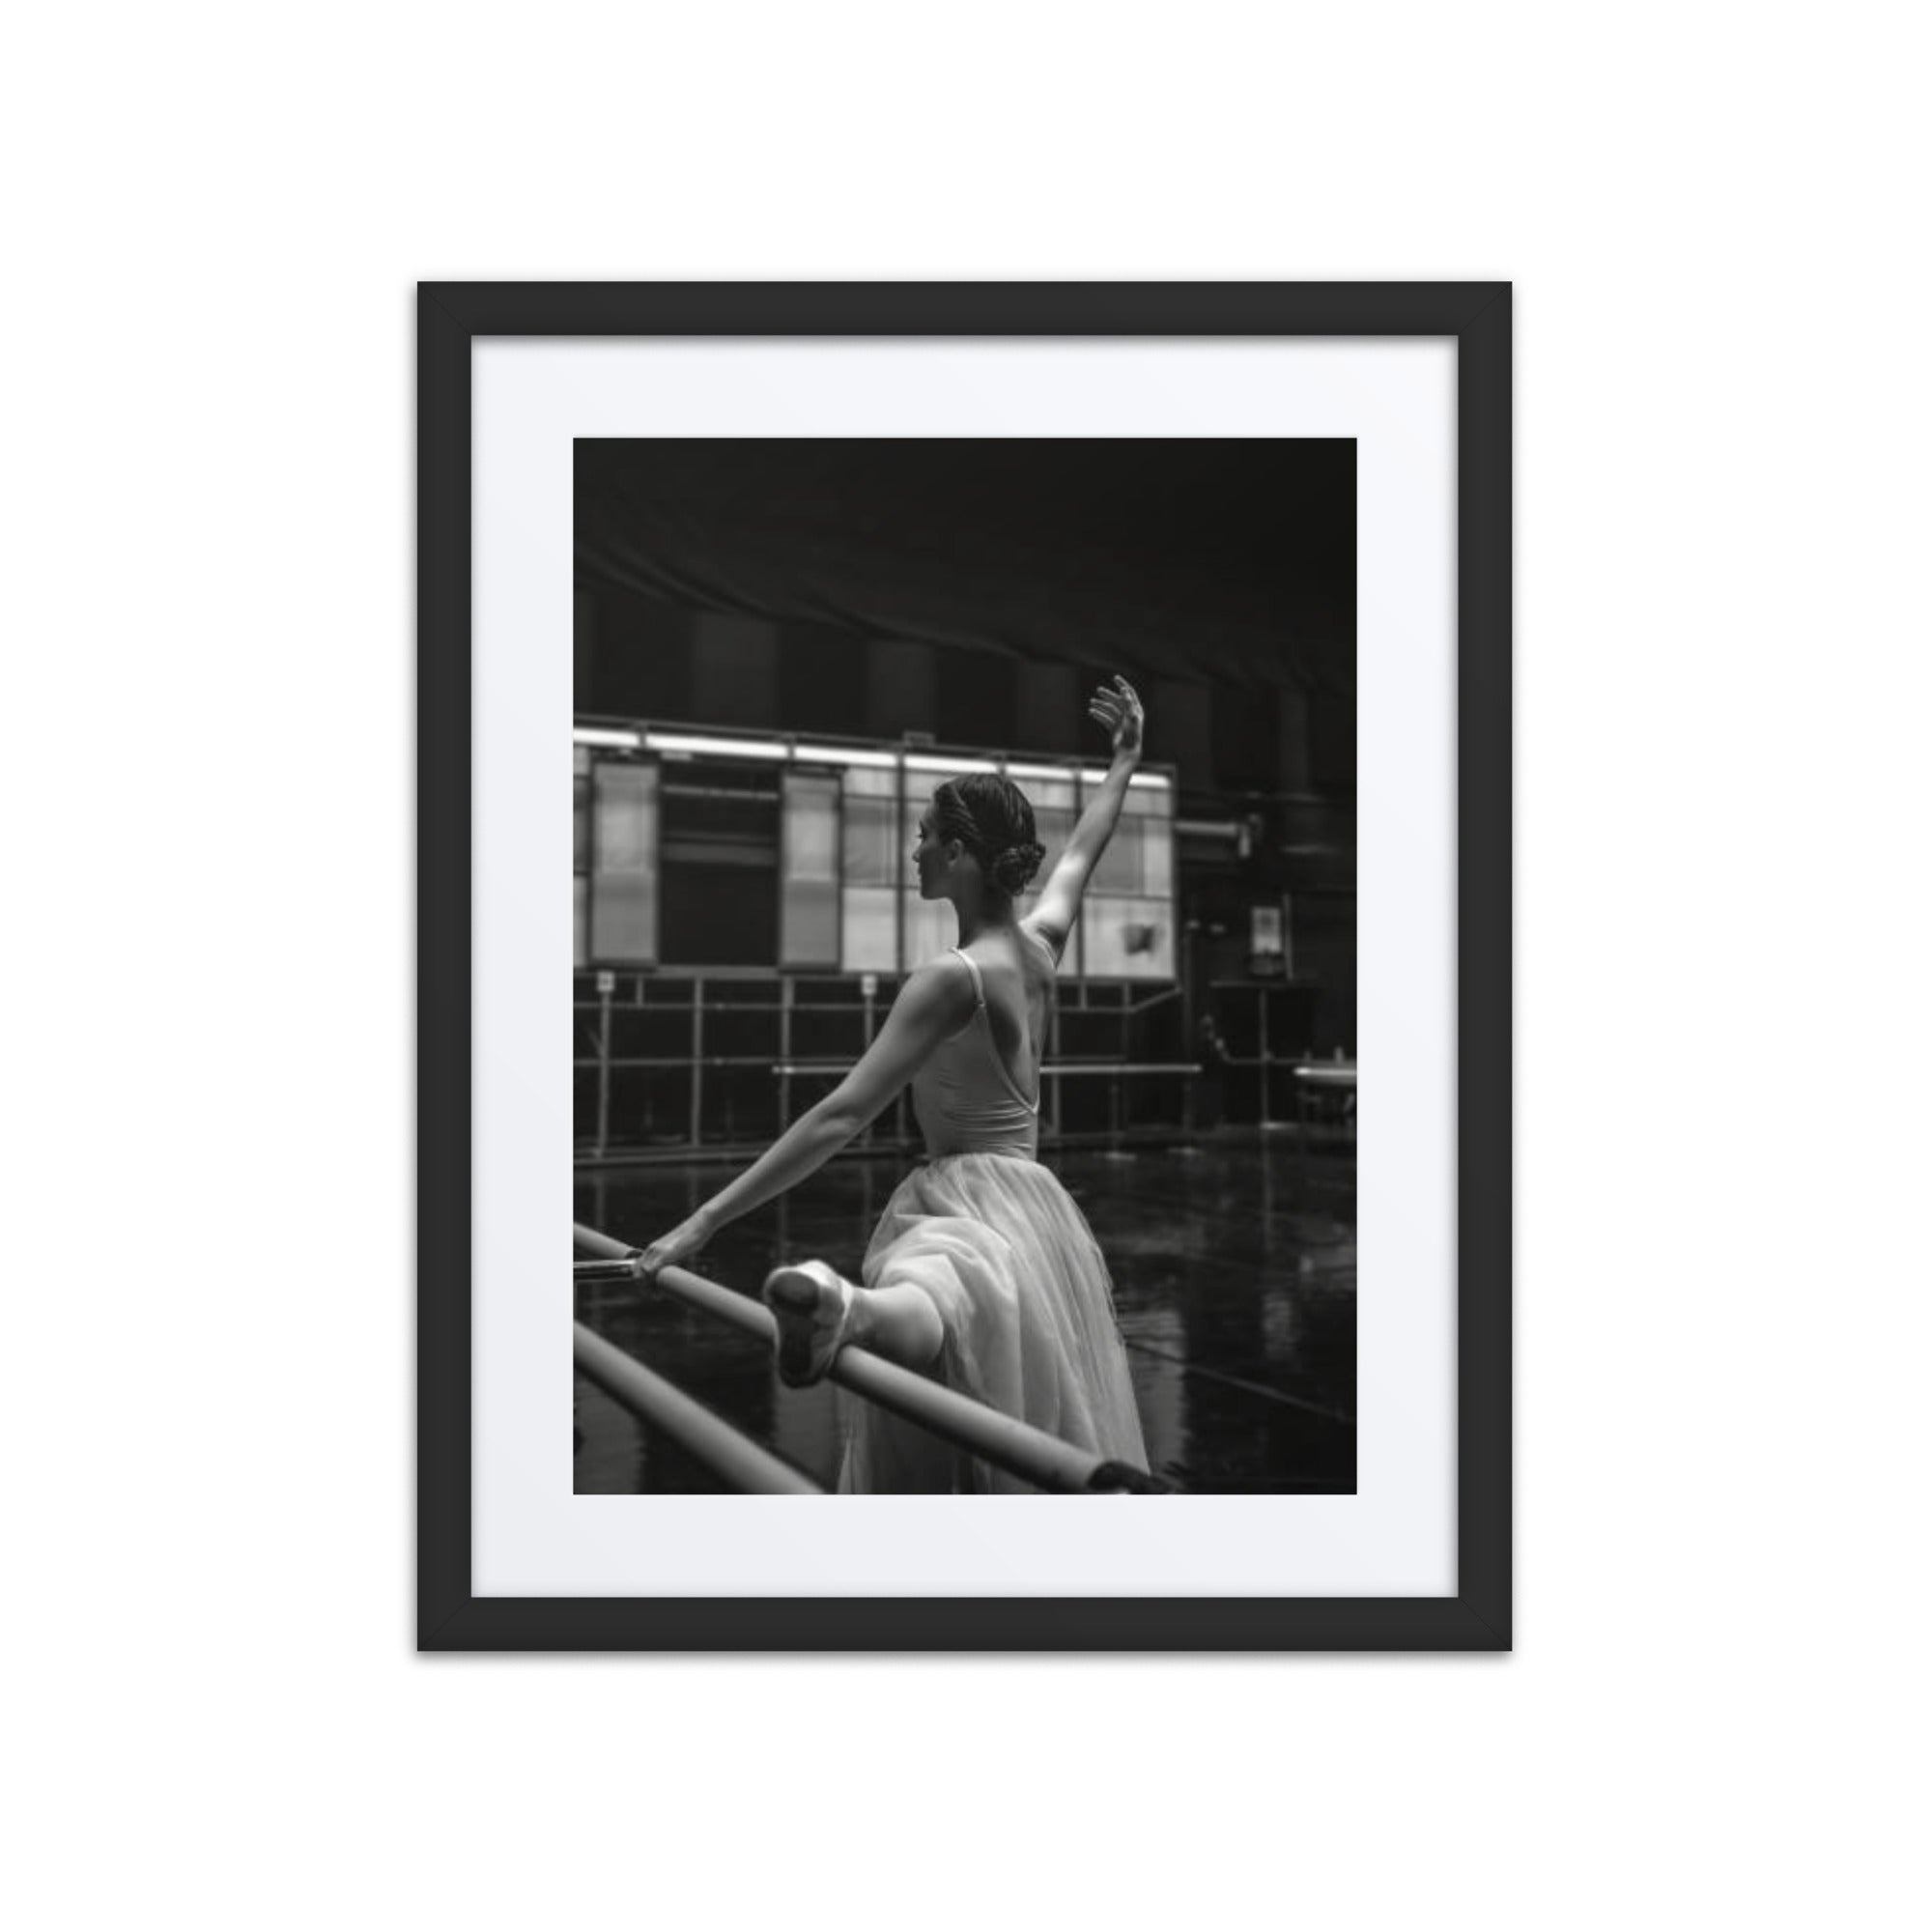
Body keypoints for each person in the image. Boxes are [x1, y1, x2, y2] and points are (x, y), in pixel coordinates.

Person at [635, 677, 1151, 1492]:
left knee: (937, 1293)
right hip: (1039, 1208)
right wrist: (1124, 763)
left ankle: (849, 1310)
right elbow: (1084, 851)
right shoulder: (1040, 950)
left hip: (970, 1190)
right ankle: (851, 1311)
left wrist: (701, 1223)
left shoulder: (951, 978)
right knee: (963, 1318)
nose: (914, 850)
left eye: (924, 837)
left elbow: (840, 1116)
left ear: (961, 856)